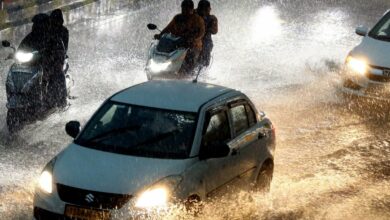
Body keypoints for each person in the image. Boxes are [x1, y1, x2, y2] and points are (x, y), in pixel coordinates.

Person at [156, 0, 205, 75]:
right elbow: (168, 28)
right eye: (183, 8)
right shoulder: (178, 18)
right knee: (164, 50)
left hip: (193, 45)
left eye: (186, 9)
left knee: (190, 55)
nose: (184, 11)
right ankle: (162, 67)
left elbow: (201, 33)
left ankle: (187, 74)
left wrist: (194, 40)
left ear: (191, 9)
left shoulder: (198, 19)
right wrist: (160, 35)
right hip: (178, 42)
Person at [45, 9, 68, 109]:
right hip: (45, 57)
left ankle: (63, 99)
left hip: (59, 57)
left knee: (58, 72)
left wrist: (56, 55)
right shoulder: (46, 30)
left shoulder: (63, 31)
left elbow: (64, 48)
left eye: (56, 19)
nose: (54, 22)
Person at [197, 0, 218, 67]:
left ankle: (202, 68)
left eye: (209, 9)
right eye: (208, 8)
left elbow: (215, 31)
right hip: (193, 39)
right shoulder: (194, 15)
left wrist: (206, 28)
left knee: (206, 48)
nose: (210, 10)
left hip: (206, 41)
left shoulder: (212, 18)